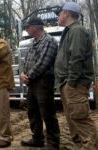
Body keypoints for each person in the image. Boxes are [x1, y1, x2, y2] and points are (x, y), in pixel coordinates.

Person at [54, 2, 98, 149]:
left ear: (67, 13)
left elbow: (76, 57)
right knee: (73, 118)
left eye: (59, 14)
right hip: (68, 83)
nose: (58, 17)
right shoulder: (70, 30)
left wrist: (71, 83)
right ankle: (80, 146)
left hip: (75, 84)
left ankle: (90, 146)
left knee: (80, 118)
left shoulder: (76, 31)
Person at [20, 17, 60, 149]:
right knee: (32, 111)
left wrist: (28, 76)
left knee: (47, 113)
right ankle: (37, 138)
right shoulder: (33, 42)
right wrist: (23, 74)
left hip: (44, 82)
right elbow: (27, 61)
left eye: (28, 26)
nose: (26, 29)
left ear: (37, 27)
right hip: (32, 82)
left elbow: (43, 62)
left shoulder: (49, 41)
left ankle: (53, 143)